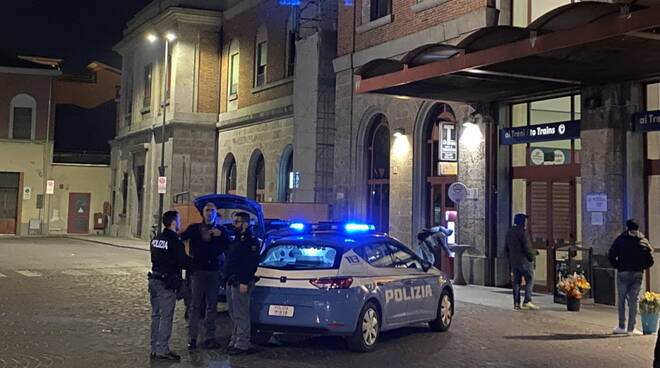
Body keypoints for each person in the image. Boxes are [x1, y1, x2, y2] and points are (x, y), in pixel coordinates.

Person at [181, 202, 229, 349]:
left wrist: (222, 235)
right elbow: (180, 238)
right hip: (197, 271)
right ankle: (192, 338)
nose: (210, 213)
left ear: (216, 213)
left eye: (212, 210)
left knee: (211, 306)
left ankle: (209, 337)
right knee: (195, 306)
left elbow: (229, 247)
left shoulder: (221, 230)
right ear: (202, 213)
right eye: (207, 210)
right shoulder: (195, 229)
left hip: (214, 271)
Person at [148, 210, 190, 362]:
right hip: (166, 283)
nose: (179, 223)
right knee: (165, 317)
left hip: (154, 280)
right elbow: (184, 262)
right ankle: (162, 350)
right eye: (178, 220)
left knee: (156, 316)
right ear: (173, 222)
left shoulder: (157, 238)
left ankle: (155, 348)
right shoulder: (174, 241)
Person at [223, 212, 261, 355]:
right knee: (233, 313)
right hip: (232, 280)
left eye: (237, 222)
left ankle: (243, 343)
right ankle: (235, 340)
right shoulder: (237, 240)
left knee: (241, 313)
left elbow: (251, 263)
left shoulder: (251, 241)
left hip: (242, 281)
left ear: (245, 224)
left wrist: (244, 281)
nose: (234, 225)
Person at [608, 219, 654, 336]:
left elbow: (611, 255)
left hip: (623, 272)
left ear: (627, 227)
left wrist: (618, 266)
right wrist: (642, 267)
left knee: (622, 299)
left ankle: (621, 326)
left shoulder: (620, 240)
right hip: (638, 273)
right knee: (634, 300)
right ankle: (631, 328)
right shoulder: (643, 241)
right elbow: (650, 259)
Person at [504, 213, 540, 311]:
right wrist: (532, 256)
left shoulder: (509, 232)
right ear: (522, 221)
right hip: (524, 261)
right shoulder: (523, 232)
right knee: (530, 279)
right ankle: (527, 300)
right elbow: (527, 247)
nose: (526, 223)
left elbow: (506, 249)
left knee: (516, 282)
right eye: (525, 220)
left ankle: (516, 303)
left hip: (514, 262)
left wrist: (510, 260)